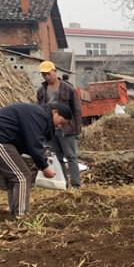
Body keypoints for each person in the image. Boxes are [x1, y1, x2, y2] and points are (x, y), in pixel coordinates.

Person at [0, 103, 72, 217]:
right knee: (22, 177)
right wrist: (44, 167)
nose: (60, 126)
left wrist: (41, 157)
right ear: (55, 112)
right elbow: (33, 144)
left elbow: (29, 143)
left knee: (15, 178)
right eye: (61, 122)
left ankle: (14, 211)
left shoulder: (39, 115)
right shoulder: (39, 116)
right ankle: (21, 215)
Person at [37, 60, 83, 189]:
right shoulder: (41, 90)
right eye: (43, 74)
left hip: (66, 128)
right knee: (56, 158)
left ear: (55, 72)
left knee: (71, 156)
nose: (46, 76)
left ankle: (75, 185)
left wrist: (77, 128)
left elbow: (77, 110)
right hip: (51, 129)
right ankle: (64, 183)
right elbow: (40, 110)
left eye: (48, 73)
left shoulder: (68, 89)